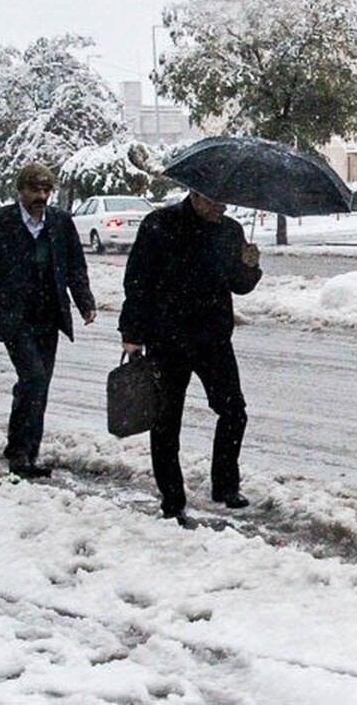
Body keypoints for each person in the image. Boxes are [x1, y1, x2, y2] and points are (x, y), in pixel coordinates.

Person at [119, 189, 262, 519]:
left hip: (213, 337)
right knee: (166, 423)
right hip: (167, 338)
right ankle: (173, 499)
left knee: (233, 411)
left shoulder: (230, 230)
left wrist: (249, 266)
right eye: (215, 201)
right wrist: (132, 334)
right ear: (195, 195)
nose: (221, 207)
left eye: (225, 202)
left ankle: (225, 485)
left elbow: (238, 284)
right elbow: (138, 281)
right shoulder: (160, 224)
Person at [0, 163, 97, 478]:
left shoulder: (61, 223)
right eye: (34, 190)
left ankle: (26, 450)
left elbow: (75, 266)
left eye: (46, 190)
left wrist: (85, 302)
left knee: (38, 384)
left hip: (49, 314)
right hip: (13, 315)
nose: (41, 196)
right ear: (20, 191)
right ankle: (20, 452)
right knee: (34, 377)